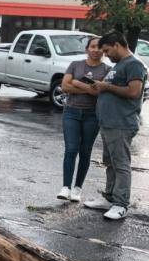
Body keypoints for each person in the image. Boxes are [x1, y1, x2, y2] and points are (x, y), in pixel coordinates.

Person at [83, 31, 147, 220]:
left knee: (120, 164)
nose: (106, 55)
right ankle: (109, 198)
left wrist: (106, 87)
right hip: (109, 122)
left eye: (107, 50)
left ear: (117, 45)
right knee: (110, 163)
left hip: (121, 123)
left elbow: (134, 92)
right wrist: (100, 86)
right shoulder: (119, 65)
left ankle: (120, 204)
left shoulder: (134, 64)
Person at [57, 37, 109, 202]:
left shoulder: (107, 70)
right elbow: (64, 86)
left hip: (92, 115)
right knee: (71, 149)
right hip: (71, 112)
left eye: (99, 47)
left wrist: (77, 83)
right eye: (93, 46)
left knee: (85, 152)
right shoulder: (75, 64)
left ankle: (77, 188)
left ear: (104, 51)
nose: (96, 50)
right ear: (87, 48)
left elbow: (98, 92)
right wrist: (89, 87)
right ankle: (66, 187)